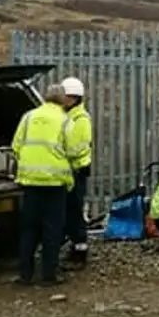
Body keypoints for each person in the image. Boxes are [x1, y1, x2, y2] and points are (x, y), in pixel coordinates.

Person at [11, 83, 75, 286]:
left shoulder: (28, 117)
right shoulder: (66, 121)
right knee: (52, 230)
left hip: (30, 182)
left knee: (29, 229)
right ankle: (49, 275)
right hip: (55, 184)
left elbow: (16, 145)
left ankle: (25, 275)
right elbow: (72, 152)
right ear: (63, 100)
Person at [60, 76, 93, 268]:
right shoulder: (71, 116)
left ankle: (80, 250)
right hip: (70, 170)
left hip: (76, 170)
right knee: (69, 209)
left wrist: (58, 151)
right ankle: (75, 245)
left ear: (73, 98)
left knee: (74, 210)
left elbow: (75, 148)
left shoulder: (80, 119)